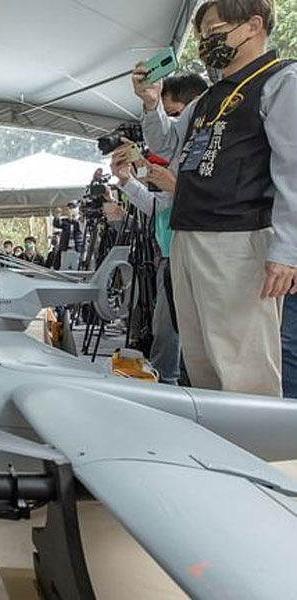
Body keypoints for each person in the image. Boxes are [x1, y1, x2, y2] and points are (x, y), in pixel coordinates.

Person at [133, 0, 297, 395]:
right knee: (201, 360)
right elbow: (167, 144)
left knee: (243, 366)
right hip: (189, 234)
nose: (207, 41)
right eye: (203, 34)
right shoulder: (207, 99)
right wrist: (152, 103)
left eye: (214, 31)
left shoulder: (280, 82)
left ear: (253, 25)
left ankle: (256, 436)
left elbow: (292, 167)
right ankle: (214, 431)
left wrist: (287, 250)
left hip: (238, 237)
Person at [112, 73, 209, 385]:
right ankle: (170, 385)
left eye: (174, 116)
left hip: (201, 256)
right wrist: (127, 181)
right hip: (169, 254)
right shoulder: (179, 158)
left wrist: (175, 186)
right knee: (167, 330)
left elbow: (217, 202)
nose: (171, 128)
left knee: (185, 337)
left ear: (196, 109)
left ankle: (177, 386)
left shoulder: (211, 152)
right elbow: (158, 206)